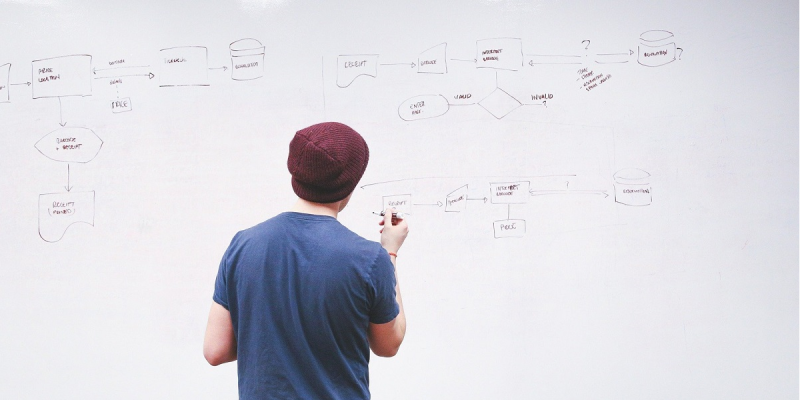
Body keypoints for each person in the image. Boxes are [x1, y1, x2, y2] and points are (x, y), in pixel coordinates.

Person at [203, 121, 408, 399]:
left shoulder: (243, 244)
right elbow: (388, 344)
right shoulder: (369, 258)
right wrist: (390, 252)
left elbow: (216, 350)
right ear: (350, 184)